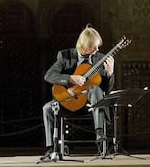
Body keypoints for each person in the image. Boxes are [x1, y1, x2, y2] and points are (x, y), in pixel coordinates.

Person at [40, 24, 115, 161]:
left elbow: (107, 90)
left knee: (95, 89)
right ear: (84, 45)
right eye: (94, 47)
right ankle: (51, 148)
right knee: (47, 109)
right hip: (69, 102)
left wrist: (109, 74)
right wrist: (70, 78)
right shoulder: (65, 56)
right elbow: (49, 76)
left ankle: (99, 133)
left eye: (98, 47)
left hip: (90, 106)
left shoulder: (101, 59)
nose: (97, 50)